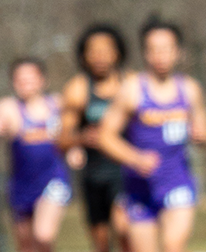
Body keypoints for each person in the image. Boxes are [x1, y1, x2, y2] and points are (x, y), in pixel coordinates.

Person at [96, 20, 206, 252]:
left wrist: (202, 136)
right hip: (139, 188)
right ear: (145, 53)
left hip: (177, 182)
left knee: (173, 246)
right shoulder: (132, 89)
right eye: (153, 49)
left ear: (178, 52)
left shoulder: (189, 89)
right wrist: (134, 158)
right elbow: (104, 136)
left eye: (166, 49)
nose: (160, 56)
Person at [0, 59, 72, 252]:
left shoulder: (57, 104)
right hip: (22, 185)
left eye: (30, 79)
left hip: (54, 180)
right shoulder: (8, 108)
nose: (25, 84)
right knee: (26, 246)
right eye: (20, 80)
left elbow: (72, 136)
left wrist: (75, 151)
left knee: (43, 235)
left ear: (42, 80)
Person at [60, 24, 132, 252]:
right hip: (94, 174)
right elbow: (61, 140)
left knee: (125, 229)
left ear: (118, 52)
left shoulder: (132, 85)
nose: (100, 56)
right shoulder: (78, 89)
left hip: (126, 172)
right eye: (94, 51)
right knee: (100, 243)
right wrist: (81, 139)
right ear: (84, 56)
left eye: (106, 50)